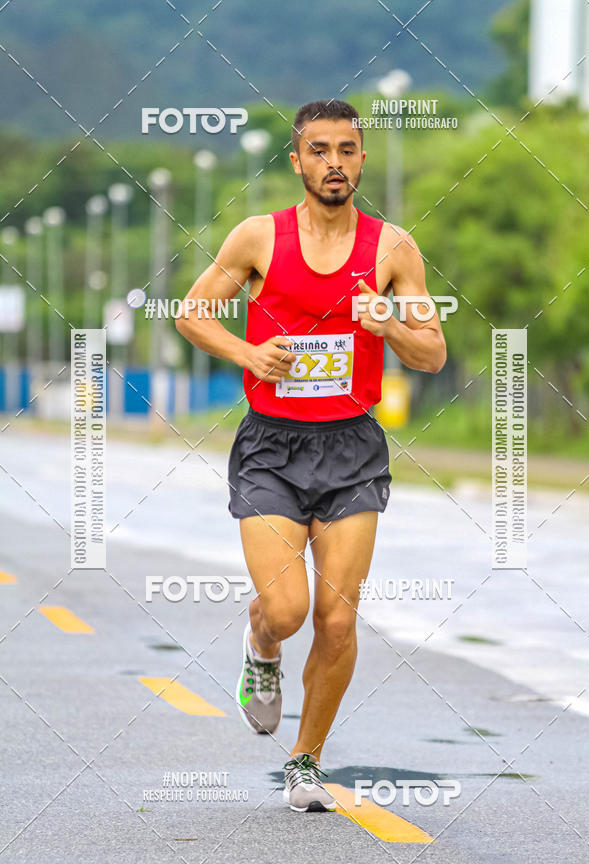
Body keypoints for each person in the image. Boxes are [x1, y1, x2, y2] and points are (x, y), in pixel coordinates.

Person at [176, 99, 446, 812]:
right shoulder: (259, 237)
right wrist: (248, 352)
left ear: (361, 159)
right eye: (319, 150)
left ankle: (306, 759)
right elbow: (191, 311)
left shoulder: (393, 249)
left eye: (347, 150)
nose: (334, 162)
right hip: (271, 444)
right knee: (289, 611)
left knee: (336, 620)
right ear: (296, 161)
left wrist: (387, 323)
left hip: (352, 445)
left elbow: (432, 351)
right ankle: (261, 648)